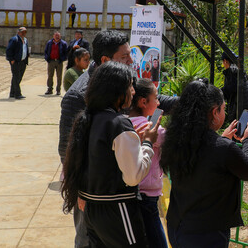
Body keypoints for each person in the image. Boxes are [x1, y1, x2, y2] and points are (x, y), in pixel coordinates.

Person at [59, 30, 179, 248]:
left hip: (96, 200)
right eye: (125, 57)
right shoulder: (81, 100)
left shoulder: (98, 108)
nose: (132, 61)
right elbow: (68, 150)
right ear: (106, 61)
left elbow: (154, 99)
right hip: (108, 201)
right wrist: (146, 144)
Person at [60, 62, 159, 247]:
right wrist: (147, 143)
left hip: (92, 210)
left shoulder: (87, 118)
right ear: (117, 91)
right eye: (130, 86)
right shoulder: (119, 124)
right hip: (117, 209)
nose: (133, 91)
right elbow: (133, 176)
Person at [161, 79, 248, 248]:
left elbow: (205, 157)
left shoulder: (177, 140)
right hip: (207, 234)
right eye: (224, 108)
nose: (225, 113)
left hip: (177, 227)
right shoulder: (223, 149)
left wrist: (222, 139)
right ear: (214, 112)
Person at [128, 78, 168, 248]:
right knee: (158, 242)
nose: (158, 102)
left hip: (130, 193)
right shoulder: (151, 128)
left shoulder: (124, 122)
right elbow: (171, 140)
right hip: (148, 196)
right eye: (156, 98)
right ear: (144, 102)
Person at [221, 52, 248, 123]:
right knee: (241, 129)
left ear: (225, 61)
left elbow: (229, 90)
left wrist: (218, 92)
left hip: (243, 107)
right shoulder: (237, 69)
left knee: (239, 131)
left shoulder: (232, 70)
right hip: (247, 105)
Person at [6, 27, 29, 99]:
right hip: (16, 61)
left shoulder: (25, 40)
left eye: (25, 32)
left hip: (23, 61)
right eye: (22, 32)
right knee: (16, 77)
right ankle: (17, 94)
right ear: (19, 32)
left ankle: (12, 93)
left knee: (18, 77)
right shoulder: (14, 39)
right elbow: (9, 50)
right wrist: (11, 59)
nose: (24, 33)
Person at [44, 31, 69, 95]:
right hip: (51, 61)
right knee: (50, 75)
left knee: (59, 76)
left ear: (60, 36)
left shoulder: (63, 43)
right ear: (53, 36)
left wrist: (62, 59)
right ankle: (49, 89)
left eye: (58, 35)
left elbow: (66, 52)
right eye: (56, 35)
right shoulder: (49, 43)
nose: (57, 37)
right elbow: (46, 51)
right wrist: (47, 58)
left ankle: (58, 90)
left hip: (59, 62)